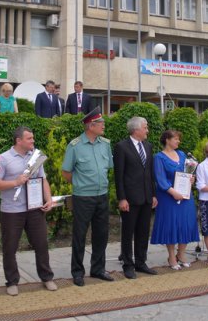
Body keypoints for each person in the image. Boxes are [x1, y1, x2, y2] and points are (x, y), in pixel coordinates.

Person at [0, 127, 57, 295]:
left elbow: (43, 180)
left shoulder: (36, 157)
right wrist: (15, 182)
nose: (33, 141)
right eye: (29, 138)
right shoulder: (3, 159)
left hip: (34, 208)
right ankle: (12, 281)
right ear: (19, 141)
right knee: (10, 247)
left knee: (41, 244)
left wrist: (49, 199)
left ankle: (47, 278)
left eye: (33, 138)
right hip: (12, 211)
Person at [61, 107, 114, 286]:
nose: (104, 125)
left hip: (102, 195)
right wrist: (80, 184)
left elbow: (109, 167)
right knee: (80, 235)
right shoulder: (75, 145)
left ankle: (98, 269)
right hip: (83, 197)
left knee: (101, 234)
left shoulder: (105, 144)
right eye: (101, 123)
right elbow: (66, 172)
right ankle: (77, 272)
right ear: (91, 125)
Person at [113, 117, 158, 279]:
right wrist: (122, 198)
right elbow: (119, 176)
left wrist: (153, 194)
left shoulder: (148, 146)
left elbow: (150, 173)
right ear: (136, 129)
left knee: (143, 232)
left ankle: (141, 262)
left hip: (146, 198)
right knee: (128, 232)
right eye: (145, 127)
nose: (147, 130)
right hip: (130, 199)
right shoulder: (121, 147)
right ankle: (128, 264)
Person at [150, 129, 199, 270]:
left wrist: (191, 178)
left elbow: (186, 172)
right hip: (168, 197)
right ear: (167, 140)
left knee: (185, 223)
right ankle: (171, 256)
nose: (178, 141)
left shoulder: (182, 154)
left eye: (179, 139)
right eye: (176, 139)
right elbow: (160, 179)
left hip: (185, 196)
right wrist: (172, 192)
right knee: (171, 225)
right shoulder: (159, 157)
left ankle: (181, 254)